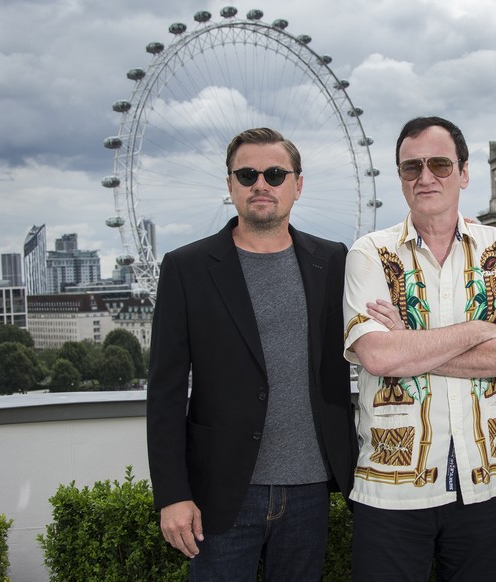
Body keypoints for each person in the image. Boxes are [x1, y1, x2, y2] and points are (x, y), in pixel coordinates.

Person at [342, 116, 496, 581]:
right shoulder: (369, 254)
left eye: (439, 163)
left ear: (464, 171)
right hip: (391, 487)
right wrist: (481, 328)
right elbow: (379, 357)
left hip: (487, 481)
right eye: (411, 167)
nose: (425, 177)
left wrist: (411, 346)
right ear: (399, 178)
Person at [146, 127, 357, 581]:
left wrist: (459, 228)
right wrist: (171, 494)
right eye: (247, 174)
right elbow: (163, 391)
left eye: (276, 174)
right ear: (230, 185)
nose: (261, 184)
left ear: (298, 184)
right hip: (219, 492)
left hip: (311, 488)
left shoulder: (334, 260)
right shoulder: (186, 268)